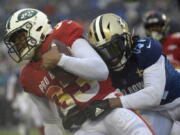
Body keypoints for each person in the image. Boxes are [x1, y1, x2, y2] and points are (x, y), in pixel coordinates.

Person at [3, 8, 154, 135]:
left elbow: (101, 71)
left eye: (20, 37)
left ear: (36, 27)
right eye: (15, 42)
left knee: (138, 130)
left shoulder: (62, 33)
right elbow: (50, 121)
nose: (18, 44)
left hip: (110, 106)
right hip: (83, 128)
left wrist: (61, 60)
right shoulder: (27, 76)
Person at [87, 13, 180, 135]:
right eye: (103, 53)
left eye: (114, 48)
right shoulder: (104, 69)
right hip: (154, 112)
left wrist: (112, 102)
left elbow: (153, 95)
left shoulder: (145, 49)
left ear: (125, 39)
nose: (111, 58)